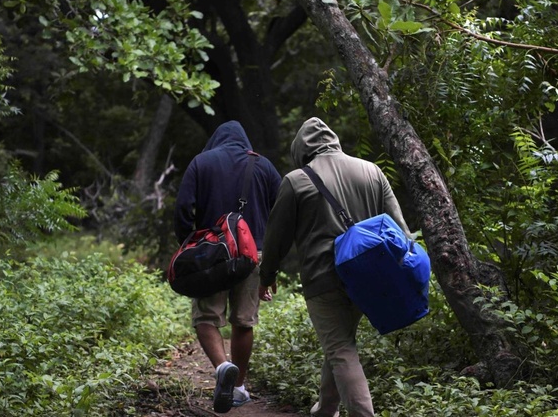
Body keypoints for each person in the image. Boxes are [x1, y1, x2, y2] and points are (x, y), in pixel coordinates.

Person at [258, 117, 410, 417]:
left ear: (301, 149)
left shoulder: (296, 180)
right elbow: (400, 229)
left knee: (340, 349)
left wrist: (267, 275)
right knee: (340, 341)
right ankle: (325, 410)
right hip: (370, 279)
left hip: (323, 280)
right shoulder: (371, 171)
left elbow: (276, 238)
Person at [175, 120, 282, 413]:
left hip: (212, 253)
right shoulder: (264, 167)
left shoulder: (202, 162)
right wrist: (271, 260)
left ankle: (223, 366)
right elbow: (283, 213)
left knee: (207, 316)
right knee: (244, 320)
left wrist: (188, 243)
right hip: (253, 254)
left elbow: (183, 208)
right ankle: (238, 387)